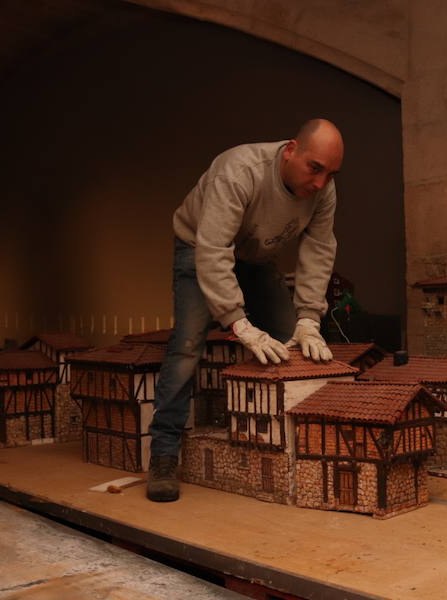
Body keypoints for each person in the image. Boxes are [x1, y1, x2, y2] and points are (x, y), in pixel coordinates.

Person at [146, 118, 344, 502]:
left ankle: (298, 448)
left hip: (256, 256)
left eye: (330, 173)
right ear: (290, 150)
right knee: (187, 346)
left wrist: (308, 317)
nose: (320, 183)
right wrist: (239, 323)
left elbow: (319, 248)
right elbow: (215, 251)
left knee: (293, 342)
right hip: (201, 246)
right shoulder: (238, 170)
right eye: (314, 168)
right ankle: (164, 454)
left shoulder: (325, 191)